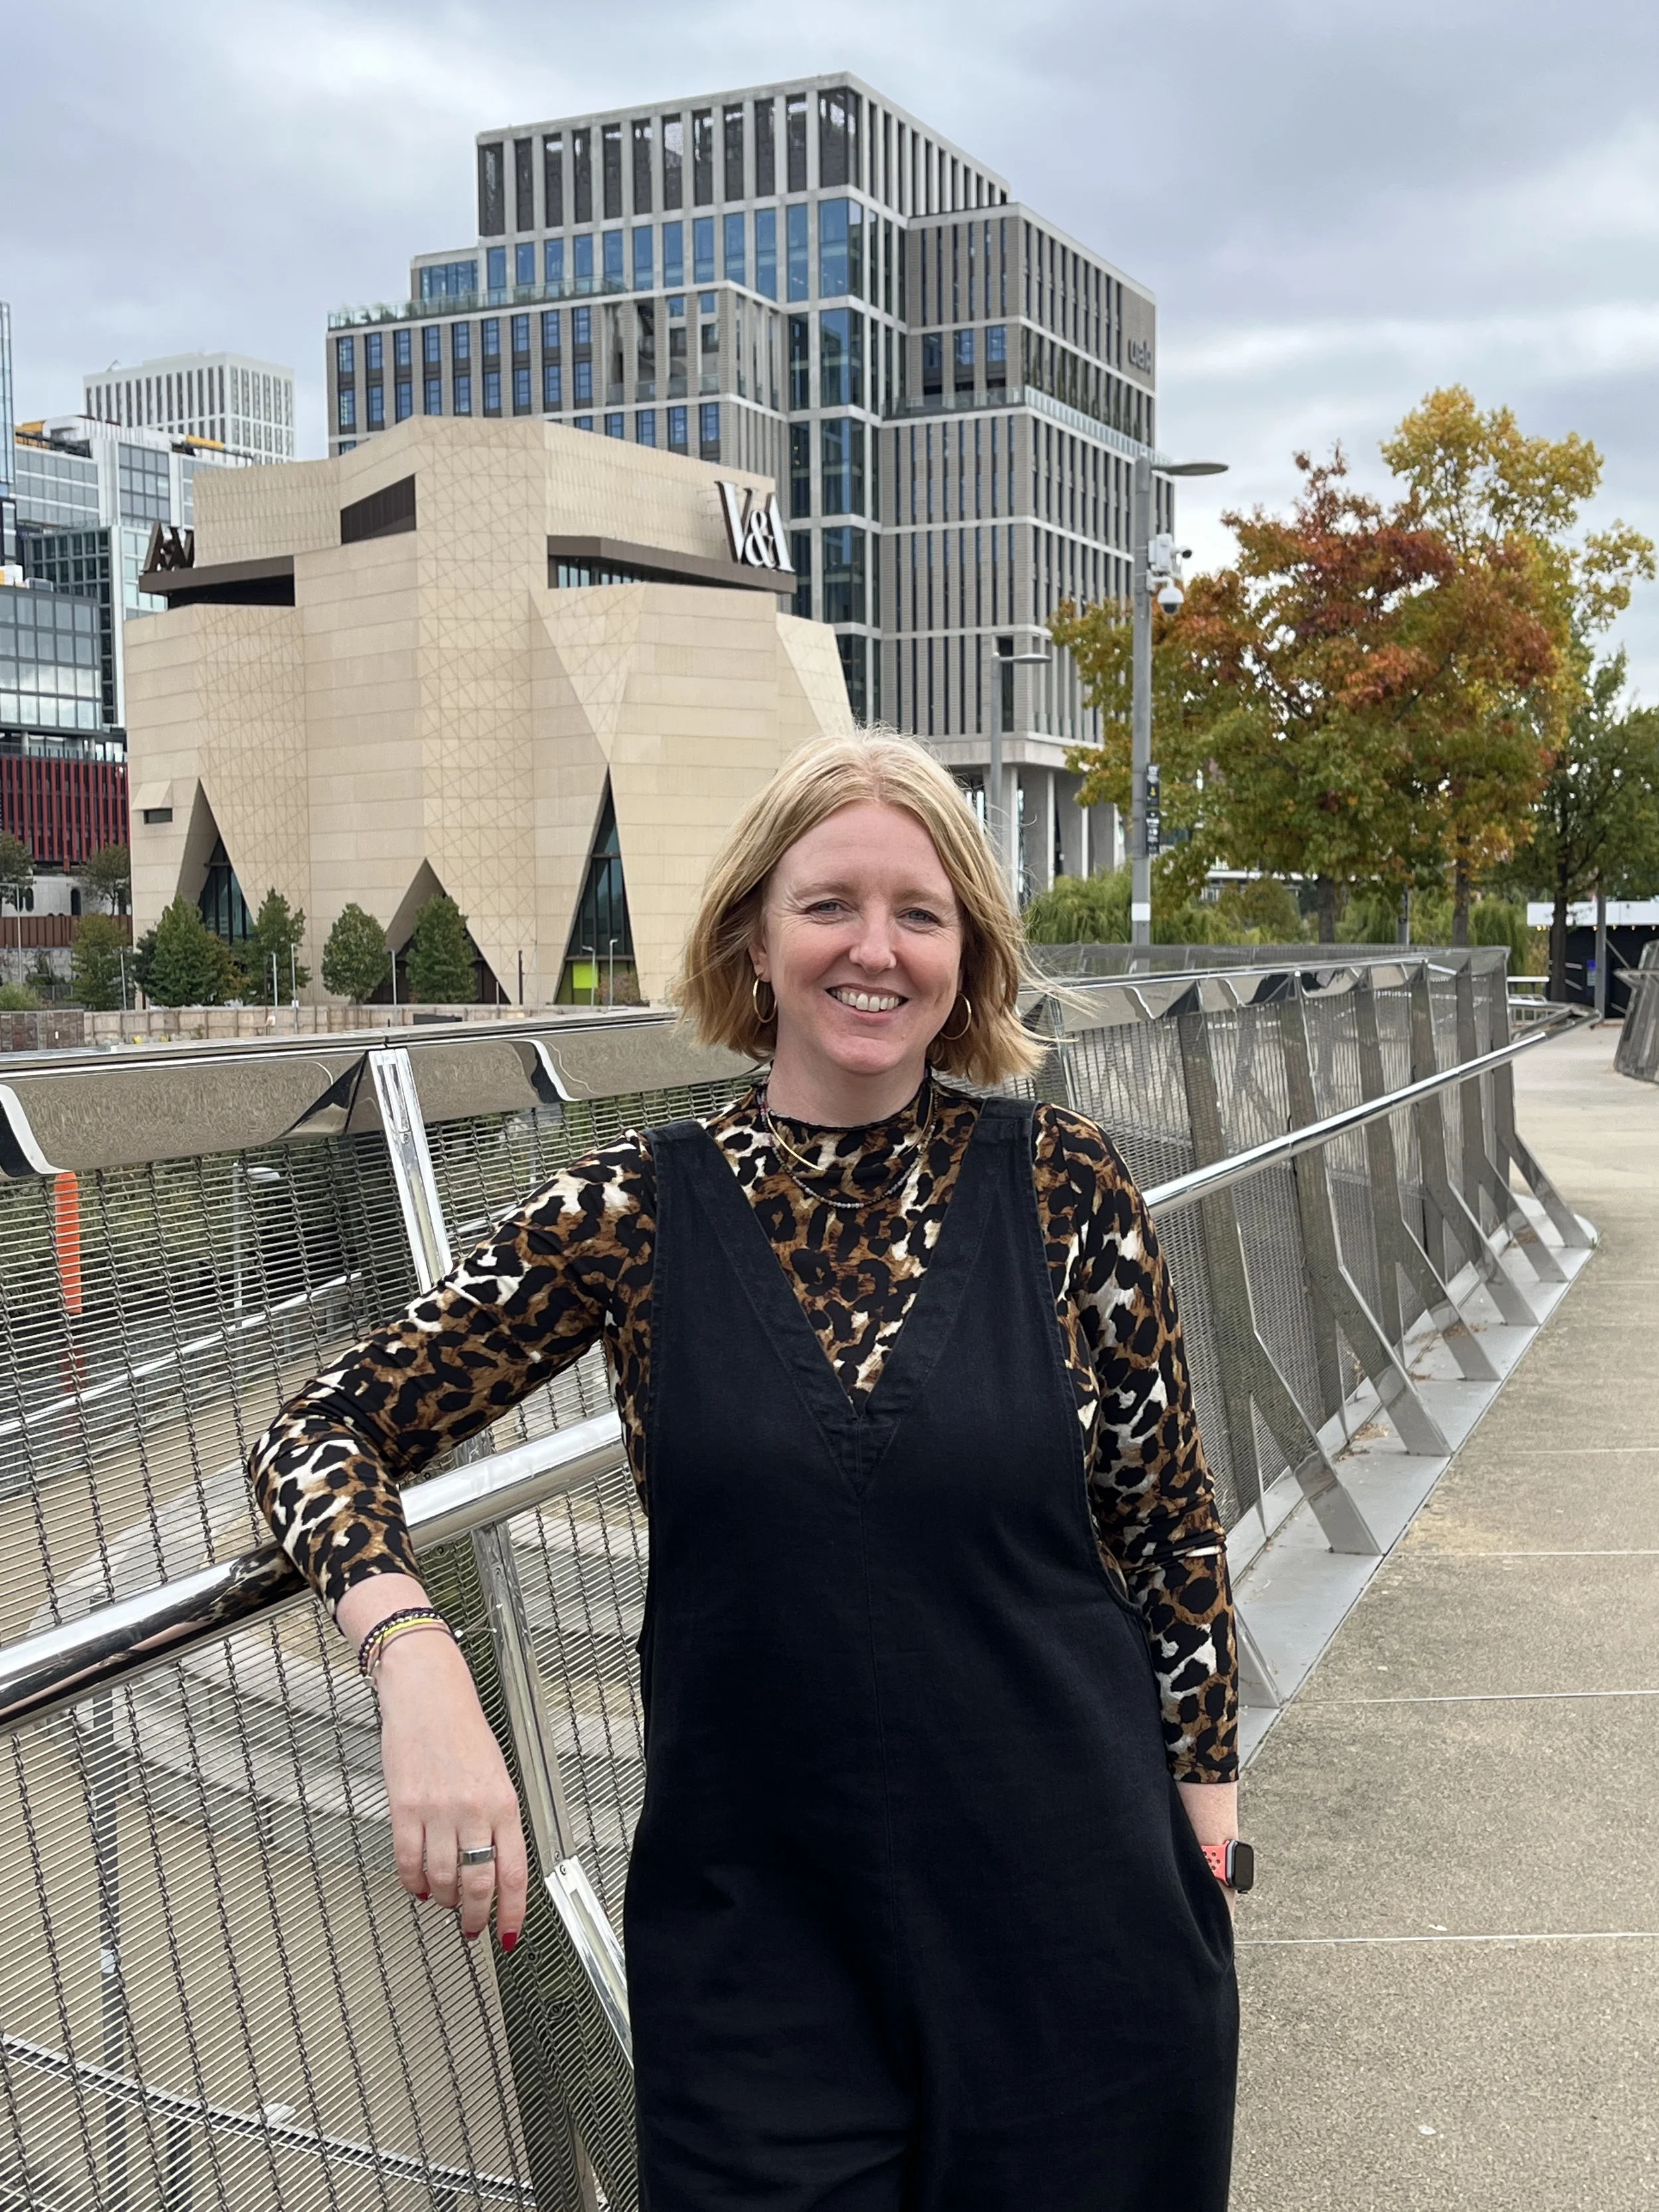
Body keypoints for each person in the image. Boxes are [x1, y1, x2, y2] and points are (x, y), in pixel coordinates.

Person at [250, 732, 1242, 2211]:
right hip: (760, 1958)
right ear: (753, 939)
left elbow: (1167, 1535)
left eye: (921, 912)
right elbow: (318, 1427)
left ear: (966, 956)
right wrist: (415, 1659)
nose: (874, 948)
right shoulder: (634, 1213)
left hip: (1075, 1934)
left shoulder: (1066, 1185)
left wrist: (1202, 1838)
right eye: (827, 902)